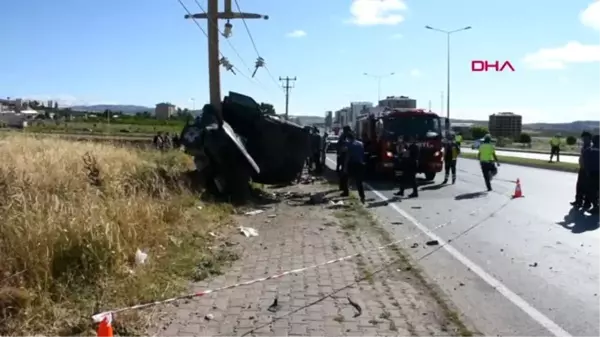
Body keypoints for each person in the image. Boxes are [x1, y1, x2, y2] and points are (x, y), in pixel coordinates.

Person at [339, 132, 366, 203]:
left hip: (352, 164)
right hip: (360, 164)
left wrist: (345, 167)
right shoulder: (361, 143)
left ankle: (346, 192)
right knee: (359, 182)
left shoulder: (349, 144)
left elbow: (345, 154)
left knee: (345, 177)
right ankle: (362, 197)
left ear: (348, 138)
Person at [571, 131, 592, 208]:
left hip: (587, 169)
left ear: (589, 139)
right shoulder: (584, 146)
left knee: (587, 186)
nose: (584, 139)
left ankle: (587, 203)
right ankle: (578, 201)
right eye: (583, 138)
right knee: (579, 185)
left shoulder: (590, 147)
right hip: (582, 169)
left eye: (585, 138)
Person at [583, 135, 600, 213]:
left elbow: (586, 163)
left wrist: (587, 172)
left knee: (592, 191)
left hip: (592, 173)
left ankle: (596, 206)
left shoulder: (588, 150)